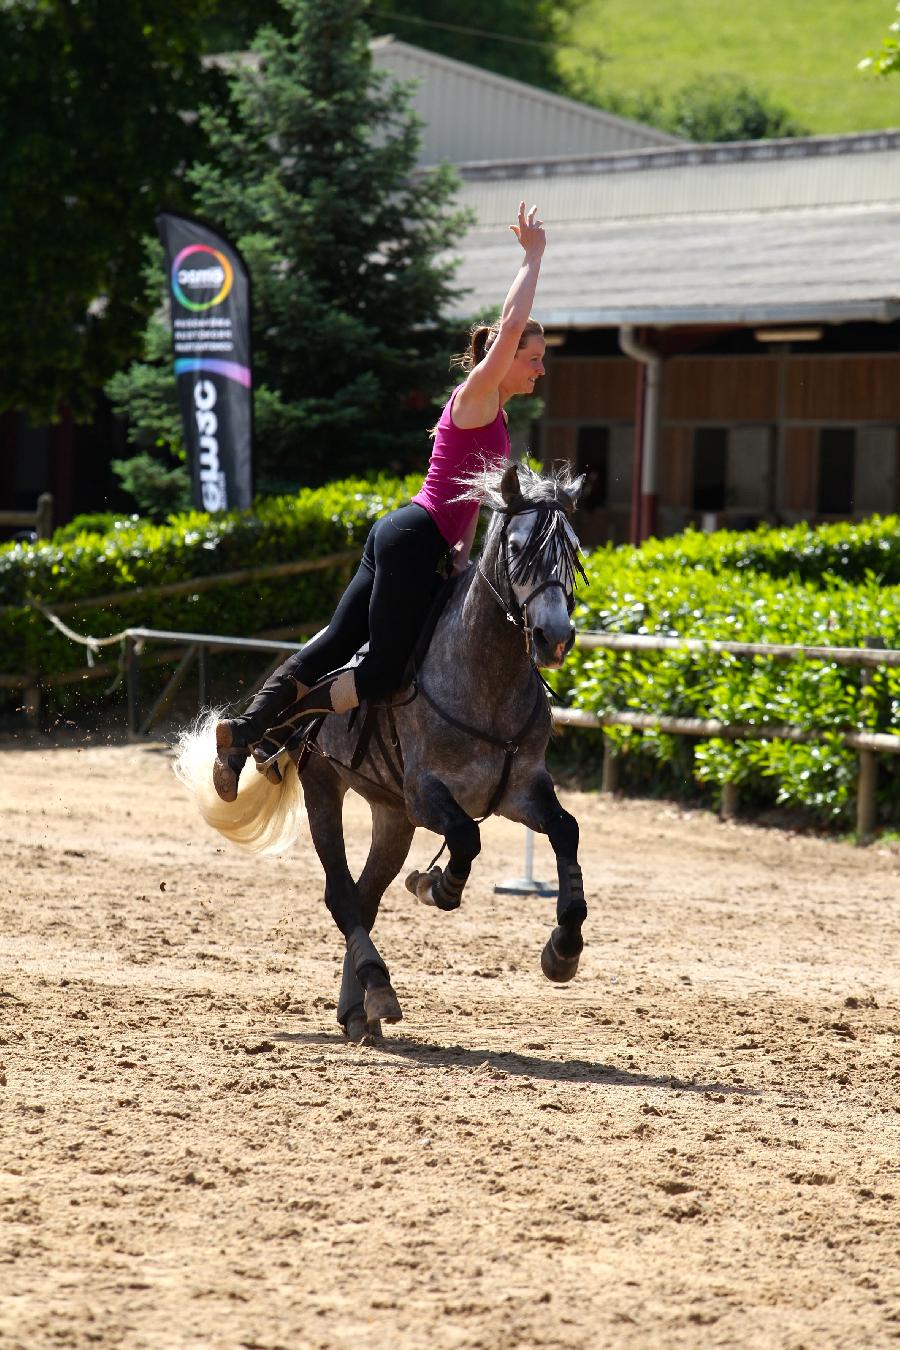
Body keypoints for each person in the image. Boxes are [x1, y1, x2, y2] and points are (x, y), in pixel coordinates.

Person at [213, 201, 548, 801]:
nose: (540, 370)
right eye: (534, 357)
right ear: (504, 357)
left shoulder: (489, 412)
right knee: (384, 670)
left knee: (338, 641)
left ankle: (246, 732)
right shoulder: (477, 397)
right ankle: (285, 734)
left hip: (411, 535)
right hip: (412, 538)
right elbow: (510, 320)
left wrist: (463, 555)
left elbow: (465, 504)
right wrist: (532, 258)